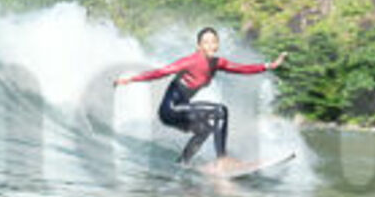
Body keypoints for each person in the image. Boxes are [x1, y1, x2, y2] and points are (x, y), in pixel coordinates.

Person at [114, 27, 284, 165]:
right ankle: (222, 160)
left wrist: (268, 65)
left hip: (183, 110)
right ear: (199, 46)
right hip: (170, 110)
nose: (211, 45)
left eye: (214, 41)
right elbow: (161, 72)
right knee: (220, 111)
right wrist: (130, 79)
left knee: (205, 130)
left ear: (218, 44)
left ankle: (183, 163)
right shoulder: (190, 61)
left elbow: (242, 69)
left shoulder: (218, 63)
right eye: (206, 42)